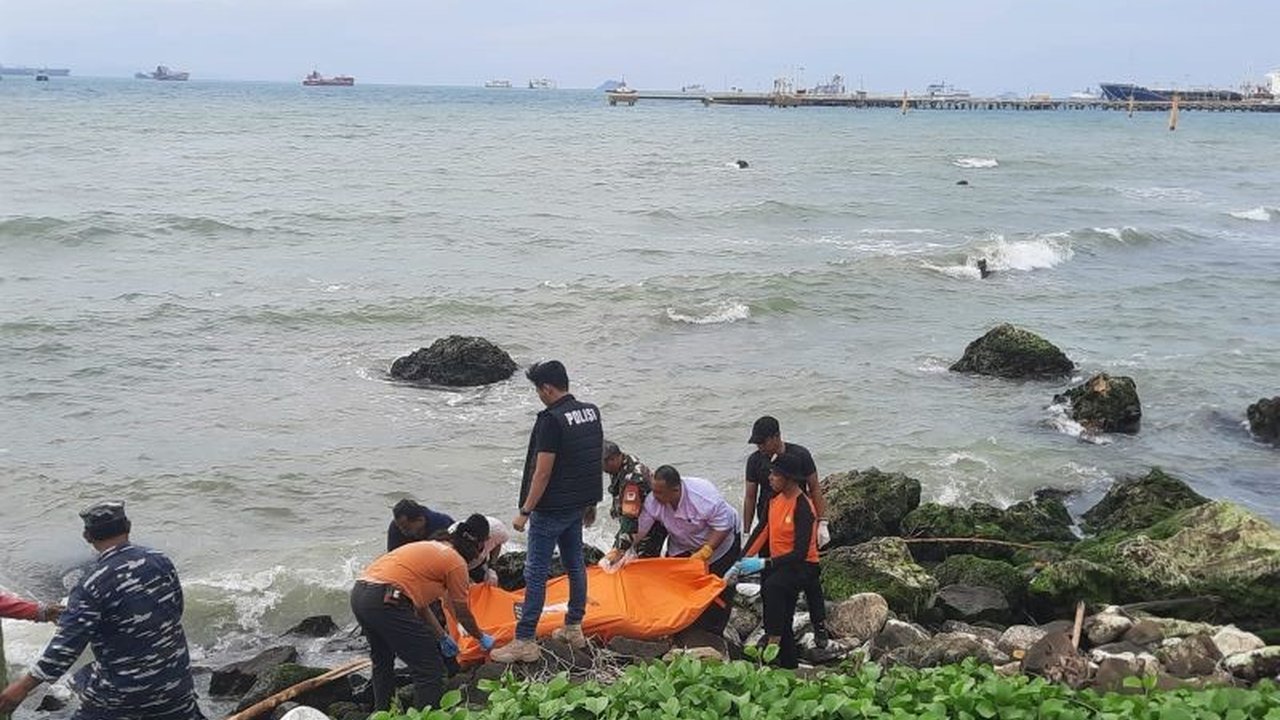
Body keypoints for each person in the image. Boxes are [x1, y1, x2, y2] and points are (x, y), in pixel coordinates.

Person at [0, 502, 204, 719]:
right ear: (128, 526)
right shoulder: (161, 561)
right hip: (177, 682)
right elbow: (175, 610)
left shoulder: (91, 585)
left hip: (123, 693)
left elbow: (66, 647)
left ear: (87, 536)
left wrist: (22, 687)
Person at [492, 360, 603, 663]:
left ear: (547, 388)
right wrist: (592, 502)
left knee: (536, 572)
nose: (539, 396)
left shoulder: (550, 420)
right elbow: (591, 459)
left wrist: (525, 511)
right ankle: (573, 626)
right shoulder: (590, 412)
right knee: (575, 564)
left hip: (550, 509)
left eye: (539, 391)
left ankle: (525, 640)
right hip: (577, 504)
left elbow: (542, 473)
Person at [351, 514, 496, 712]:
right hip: (387, 600)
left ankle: (382, 712)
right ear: (476, 546)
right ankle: (425, 716)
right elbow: (461, 610)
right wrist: (480, 637)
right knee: (430, 670)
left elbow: (420, 606)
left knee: (382, 661)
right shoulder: (455, 563)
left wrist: (442, 636)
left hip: (361, 594)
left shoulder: (430, 550)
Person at [743, 415, 831, 647]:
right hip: (770, 520)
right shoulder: (755, 461)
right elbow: (750, 496)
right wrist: (746, 530)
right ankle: (773, 627)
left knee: (810, 578)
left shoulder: (799, 456)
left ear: (776, 437)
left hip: (799, 521)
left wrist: (822, 521)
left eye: (762, 442)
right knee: (769, 580)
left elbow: (814, 487)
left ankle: (819, 625)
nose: (759, 447)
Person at [625, 465, 740, 634]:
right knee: (674, 583)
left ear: (675, 490)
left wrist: (706, 551)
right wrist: (623, 549)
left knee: (717, 589)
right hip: (682, 543)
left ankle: (713, 634)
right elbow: (640, 530)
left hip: (720, 545)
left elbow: (724, 525)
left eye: (659, 492)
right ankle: (680, 625)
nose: (654, 496)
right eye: (653, 491)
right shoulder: (653, 501)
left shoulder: (703, 496)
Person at [736, 452, 820, 669]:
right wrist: (740, 562)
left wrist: (765, 563)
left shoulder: (803, 506)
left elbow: (800, 553)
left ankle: (772, 642)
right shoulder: (774, 501)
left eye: (774, 474)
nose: (770, 478)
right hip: (781, 565)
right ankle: (788, 663)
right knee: (776, 601)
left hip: (803, 566)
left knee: (773, 587)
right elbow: (761, 532)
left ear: (789, 478)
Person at [599, 440, 666, 557]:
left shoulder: (632, 482)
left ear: (613, 459)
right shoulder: (624, 462)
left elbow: (630, 518)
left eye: (601, 464)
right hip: (639, 521)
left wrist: (618, 549)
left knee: (642, 565)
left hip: (648, 527)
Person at [387, 498, 454, 552]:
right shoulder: (395, 528)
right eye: (399, 526)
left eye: (406, 528)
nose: (402, 531)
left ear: (420, 520)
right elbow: (392, 555)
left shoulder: (442, 523)